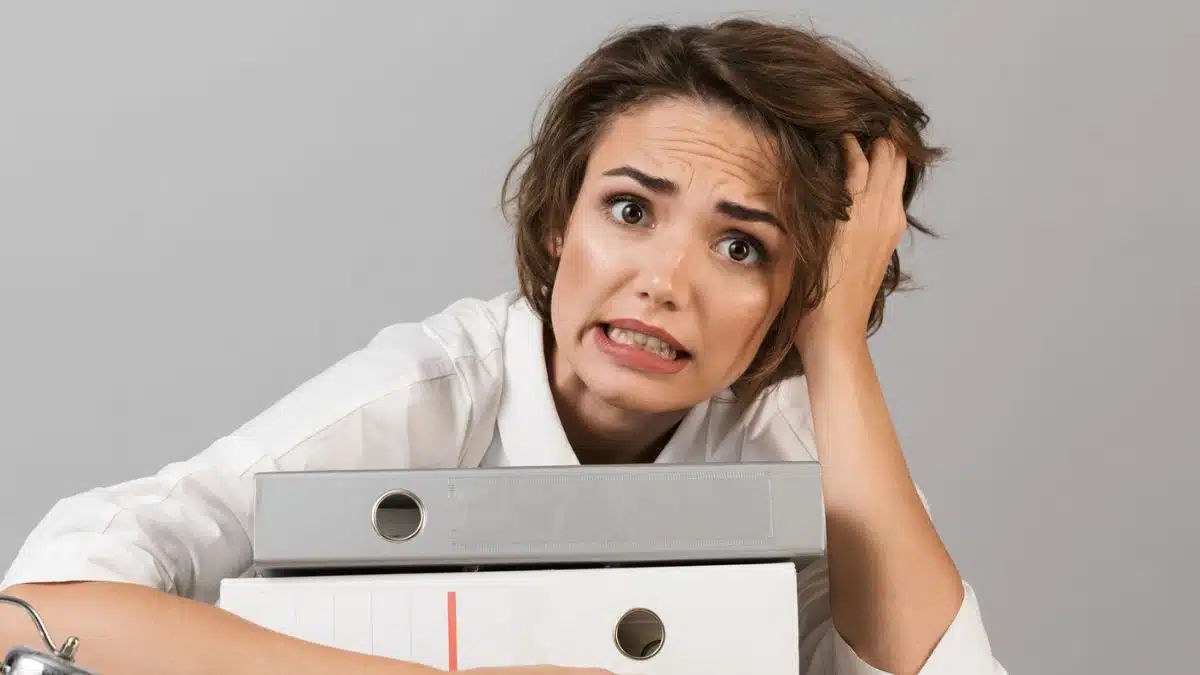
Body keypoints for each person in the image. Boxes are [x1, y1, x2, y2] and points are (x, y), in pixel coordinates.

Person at [0, 17, 1006, 675]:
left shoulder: (804, 437)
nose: (665, 279)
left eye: (743, 246)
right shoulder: (437, 388)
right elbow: (33, 613)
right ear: (561, 220)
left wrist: (836, 341)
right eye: (629, 210)